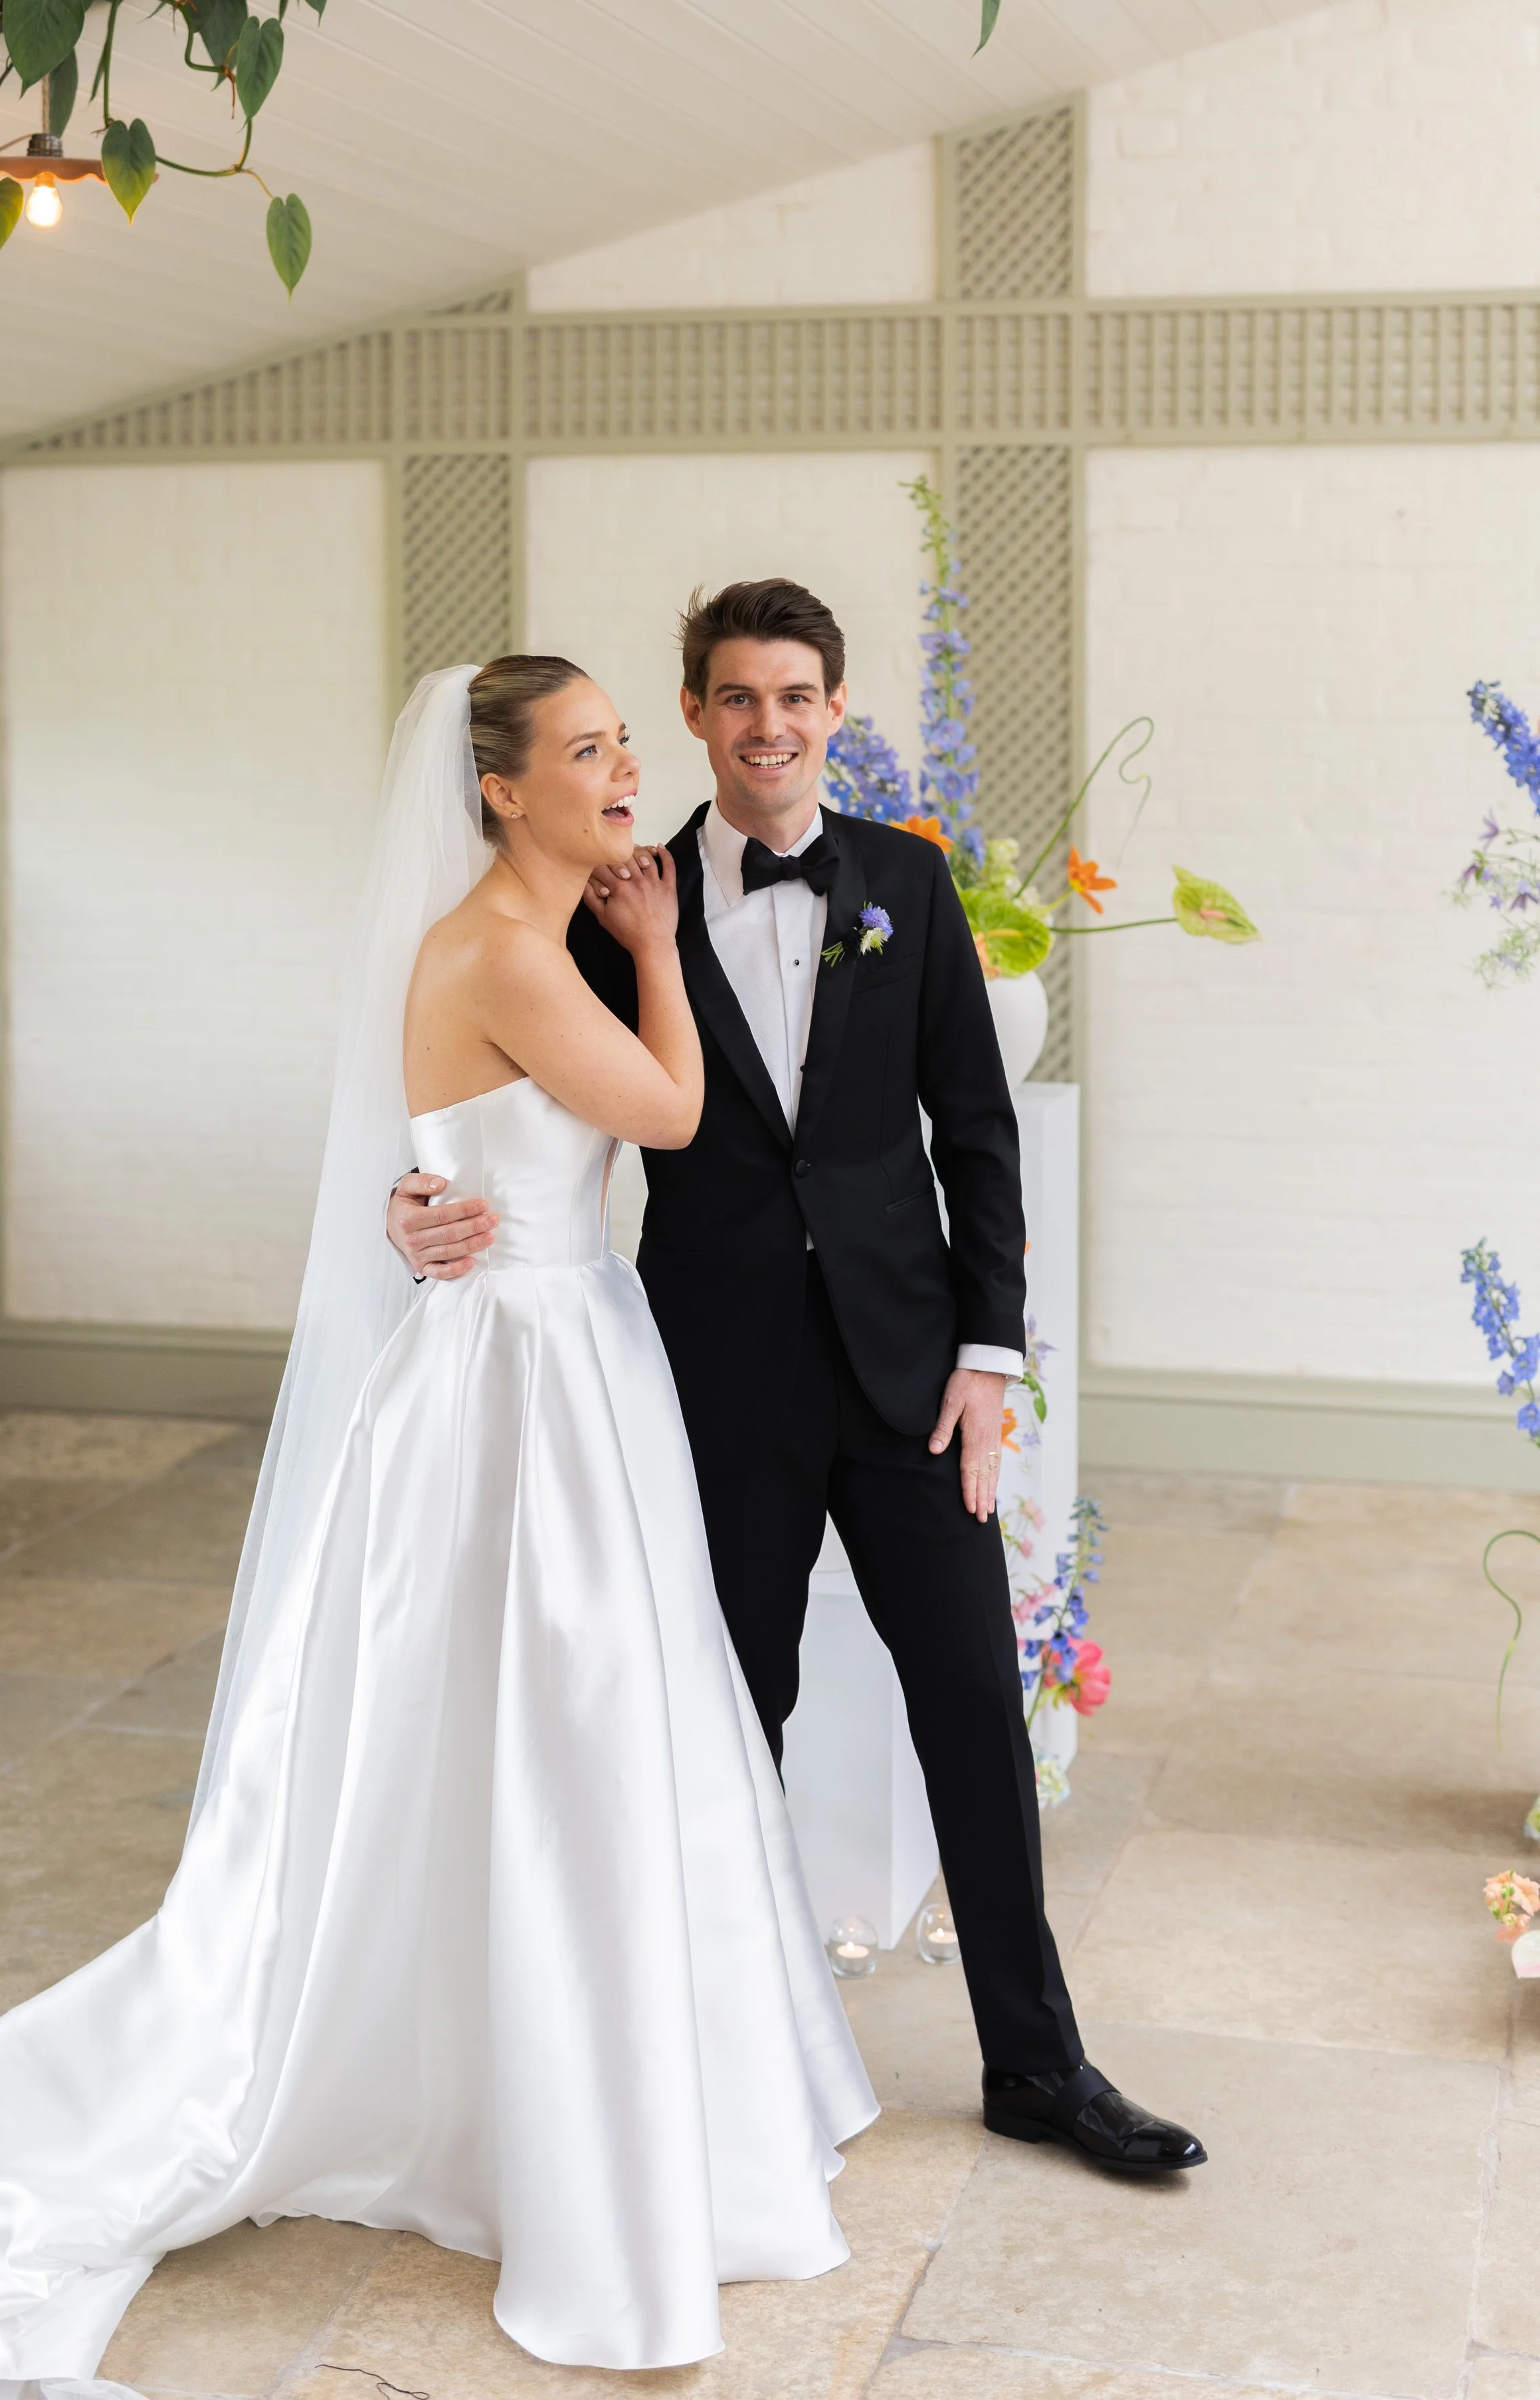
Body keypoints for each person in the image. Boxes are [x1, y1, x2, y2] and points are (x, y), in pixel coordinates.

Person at [0, 658, 877, 2400]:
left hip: (565, 1346)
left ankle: (544, 2073)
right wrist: (652, 952)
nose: (625, 768)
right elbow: (661, 1111)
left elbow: (495, 1142)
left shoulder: (522, 929)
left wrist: (455, 1157)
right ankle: (533, 2112)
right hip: (529, 1376)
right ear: (498, 787)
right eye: (588, 749)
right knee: (552, 1725)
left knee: (562, 1726)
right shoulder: (505, 943)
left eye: (623, 740)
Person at [391, 581, 1206, 2177]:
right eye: (736, 697)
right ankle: (712, 2055)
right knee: (722, 1715)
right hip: (707, 1383)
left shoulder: (905, 880)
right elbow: (483, 1089)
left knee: (971, 1702)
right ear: (692, 713)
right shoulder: (597, 896)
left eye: (797, 696)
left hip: (909, 1379)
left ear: (833, 710)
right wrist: (409, 1200)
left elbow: (973, 1131)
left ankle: (1036, 2064)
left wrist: (984, 1357)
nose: (769, 725)